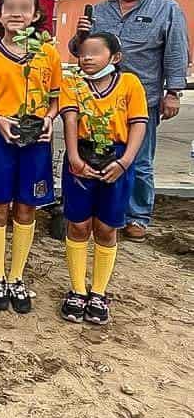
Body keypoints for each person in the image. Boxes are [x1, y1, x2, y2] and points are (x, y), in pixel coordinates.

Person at [72, 0, 189, 242]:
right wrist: (79, 35)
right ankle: (110, 211)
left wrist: (173, 92)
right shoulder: (99, 10)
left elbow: (176, 51)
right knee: (100, 152)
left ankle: (137, 215)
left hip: (142, 98)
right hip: (97, 100)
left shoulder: (167, 8)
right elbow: (80, 52)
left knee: (139, 159)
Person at [0, 0, 62, 314]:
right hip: (0, 138)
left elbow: (55, 98)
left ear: (36, 15)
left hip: (36, 141)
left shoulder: (47, 53)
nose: (17, 14)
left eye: (24, 8)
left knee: (26, 208)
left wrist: (49, 118)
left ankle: (17, 275)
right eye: (9, 8)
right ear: (0, 14)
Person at [59, 32, 147, 325]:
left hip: (117, 157)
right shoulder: (73, 84)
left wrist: (124, 162)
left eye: (95, 52)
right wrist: (73, 158)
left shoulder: (130, 84)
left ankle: (98, 291)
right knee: (79, 223)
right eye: (83, 52)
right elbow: (71, 119)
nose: (87, 57)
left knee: (107, 227)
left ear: (115, 57)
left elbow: (137, 124)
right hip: (81, 155)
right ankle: (77, 289)